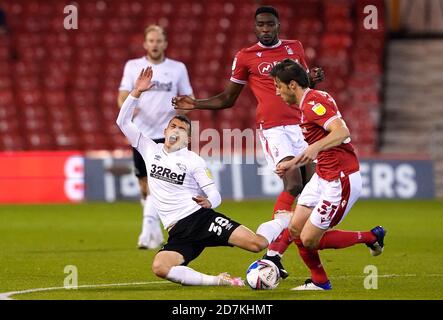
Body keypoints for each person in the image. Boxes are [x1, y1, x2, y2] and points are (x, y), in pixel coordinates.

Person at [172, 6, 324, 277]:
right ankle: (274, 256)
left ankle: (277, 255)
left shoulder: (294, 47)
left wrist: (312, 80)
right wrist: (195, 104)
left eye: (270, 25)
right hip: (274, 128)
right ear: (255, 28)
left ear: (278, 25)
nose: (265, 30)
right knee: (294, 183)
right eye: (261, 25)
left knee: (312, 193)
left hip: (301, 125)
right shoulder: (246, 56)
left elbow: (301, 87)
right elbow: (228, 99)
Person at [116, 67, 291, 286]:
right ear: (165, 130)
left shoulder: (193, 160)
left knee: (257, 244)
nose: (176, 130)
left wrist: (210, 202)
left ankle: (284, 219)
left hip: (201, 220)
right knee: (160, 267)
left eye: (181, 129)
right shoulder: (149, 149)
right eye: (173, 126)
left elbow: (214, 193)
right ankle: (219, 281)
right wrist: (136, 92)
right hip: (177, 231)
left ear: (187, 139)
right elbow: (123, 122)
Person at [270, 58, 386, 290]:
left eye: (278, 85)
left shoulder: (313, 102)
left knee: (309, 239)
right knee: (295, 229)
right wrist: (293, 162)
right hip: (322, 176)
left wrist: (314, 148)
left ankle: (371, 237)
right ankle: (320, 282)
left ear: (292, 85)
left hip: (340, 179)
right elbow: (320, 143)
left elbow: (342, 132)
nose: (276, 91)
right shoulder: (309, 102)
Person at [118, 25, 193, 249]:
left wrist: (182, 110)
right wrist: (129, 109)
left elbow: (189, 98)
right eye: (151, 40)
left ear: (165, 44)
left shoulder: (178, 68)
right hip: (141, 133)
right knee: (144, 185)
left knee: (156, 182)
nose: (155, 44)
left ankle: (147, 231)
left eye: (159, 40)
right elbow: (122, 95)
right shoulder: (133, 66)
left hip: (167, 134)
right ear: (145, 43)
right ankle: (154, 232)